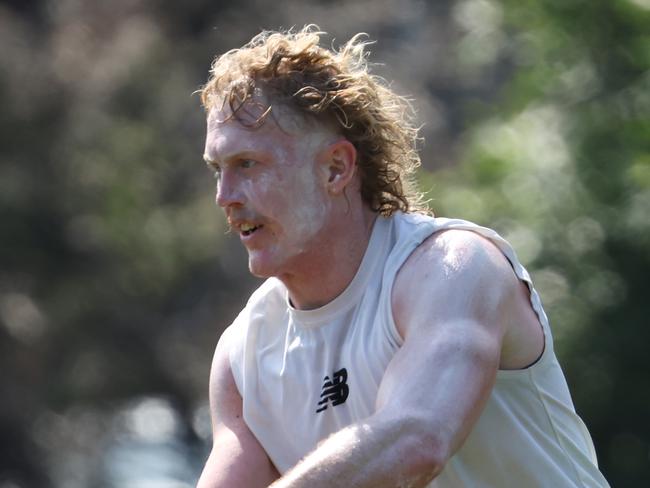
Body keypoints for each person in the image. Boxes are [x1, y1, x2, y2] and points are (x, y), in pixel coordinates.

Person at [195, 26, 609, 488]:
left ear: (336, 168)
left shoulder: (453, 268)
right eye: (218, 170)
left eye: (247, 164)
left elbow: (417, 438)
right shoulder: (242, 356)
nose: (224, 197)